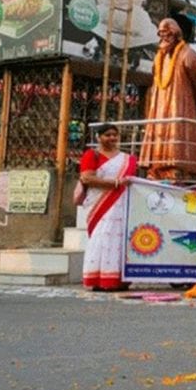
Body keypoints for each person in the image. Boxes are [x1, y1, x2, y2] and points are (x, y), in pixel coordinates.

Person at [140, 18, 196, 181]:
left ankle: (177, 169)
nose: (163, 38)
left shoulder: (188, 54)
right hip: (159, 108)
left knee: (177, 135)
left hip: (180, 106)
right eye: (161, 35)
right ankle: (156, 169)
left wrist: (195, 106)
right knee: (158, 134)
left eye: (167, 34)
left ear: (176, 35)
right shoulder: (159, 58)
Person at [79, 124, 137, 291]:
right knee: (101, 238)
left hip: (120, 204)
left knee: (119, 239)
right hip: (99, 204)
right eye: (107, 135)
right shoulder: (92, 155)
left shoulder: (127, 158)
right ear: (99, 137)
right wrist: (116, 183)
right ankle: (98, 279)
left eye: (115, 135)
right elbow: (87, 178)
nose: (112, 138)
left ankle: (118, 279)